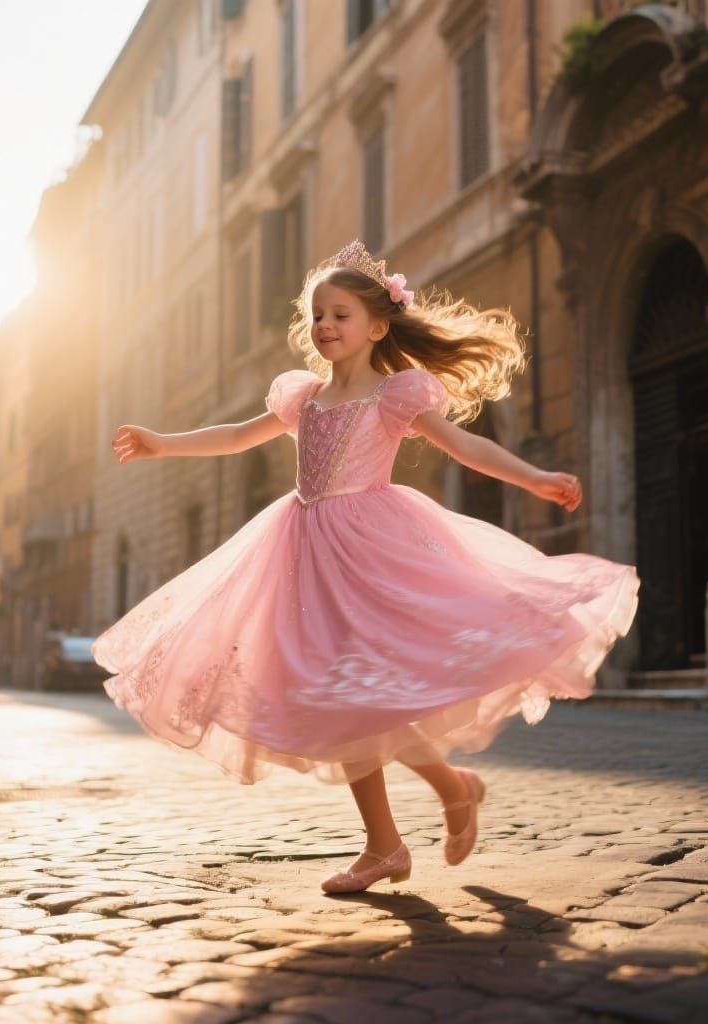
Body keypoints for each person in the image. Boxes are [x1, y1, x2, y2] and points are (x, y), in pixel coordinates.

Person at [95, 240, 640, 894]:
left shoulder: (396, 395)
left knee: (358, 700)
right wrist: (163, 443)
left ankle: (410, 822)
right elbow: (237, 435)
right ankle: (418, 816)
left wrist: (534, 478)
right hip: (301, 553)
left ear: (378, 326)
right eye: (318, 314)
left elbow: (465, 445)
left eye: (341, 314)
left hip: (371, 553)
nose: (326, 325)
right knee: (339, 700)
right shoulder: (302, 398)